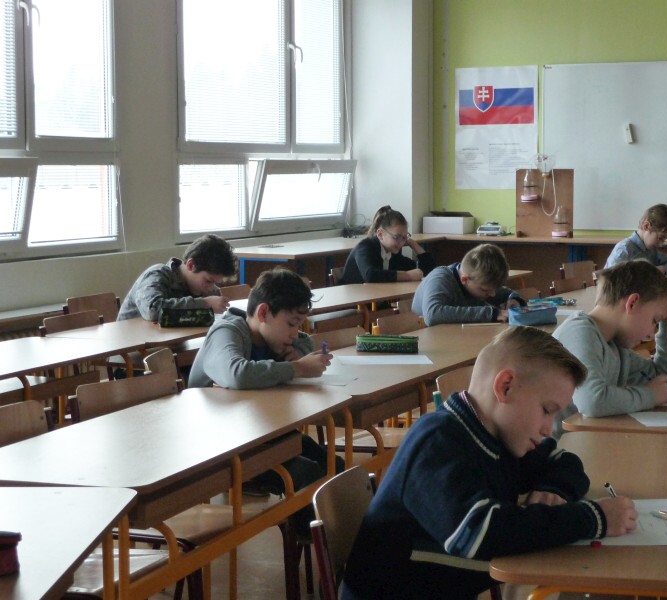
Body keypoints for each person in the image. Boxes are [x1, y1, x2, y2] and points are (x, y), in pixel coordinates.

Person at [342, 327, 638, 600]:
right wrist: (592, 519)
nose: (549, 428)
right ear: (506, 387)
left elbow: (564, 462)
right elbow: (479, 533)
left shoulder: (499, 433)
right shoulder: (436, 442)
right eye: (547, 410)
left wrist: (554, 488)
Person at [188, 268, 340, 509]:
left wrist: (297, 353)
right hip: (222, 446)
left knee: (334, 464)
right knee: (306, 474)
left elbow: (305, 342)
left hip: (260, 433)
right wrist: (297, 367)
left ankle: (339, 528)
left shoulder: (271, 335)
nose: (294, 333)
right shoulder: (227, 331)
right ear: (263, 312)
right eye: (291, 324)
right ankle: (306, 531)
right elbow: (237, 374)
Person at [551, 260, 667, 438]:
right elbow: (592, 402)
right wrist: (648, 396)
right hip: (556, 448)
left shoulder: (615, 345)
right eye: (655, 321)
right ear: (632, 303)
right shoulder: (579, 332)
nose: (652, 333)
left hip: (589, 441)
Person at [117, 233, 237, 321]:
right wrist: (204, 303)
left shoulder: (203, 288)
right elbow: (152, 310)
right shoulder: (157, 274)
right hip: (131, 345)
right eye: (209, 281)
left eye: (215, 283)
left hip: (167, 343)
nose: (211, 288)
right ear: (191, 265)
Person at [411, 243, 525, 326]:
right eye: (485, 290)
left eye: (494, 289)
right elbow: (432, 315)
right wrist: (492, 314)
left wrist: (514, 299)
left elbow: (507, 293)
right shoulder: (440, 279)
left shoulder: (478, 282)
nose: (493, 294)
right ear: (465, 280)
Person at [340, 205, 435, 284]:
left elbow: (426, 271)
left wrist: (413, 244)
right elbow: (370, 275)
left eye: (404, 237)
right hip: (354, 300)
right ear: (380, 234)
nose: (401, 242)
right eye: (397, 237)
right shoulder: (365, 247)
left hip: (376, 298)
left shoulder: (393, 252)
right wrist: (407, 275)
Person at [604, 204, 667, 275]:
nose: (661, 244)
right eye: (660, 238)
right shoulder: (624, 250)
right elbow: (611, 280)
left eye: (664, 239)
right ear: (646, 226)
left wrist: (662, 269)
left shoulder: (651, 251)